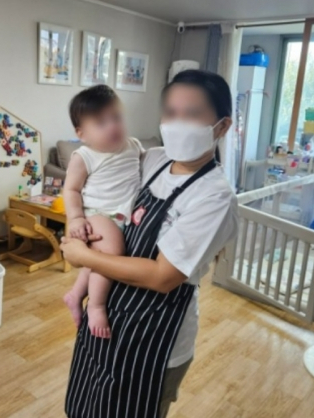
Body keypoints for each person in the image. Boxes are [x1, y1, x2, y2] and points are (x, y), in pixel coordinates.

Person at [61, 70, 239, 418]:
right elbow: (104, 185)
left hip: (155, 337)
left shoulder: (215, 197)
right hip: (110, 315)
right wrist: (78, 219)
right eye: (170, 113)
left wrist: (84, 256)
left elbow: (162, 277)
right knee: (89, 404)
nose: (178, 123)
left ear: (221, 126)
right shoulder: (154, 159)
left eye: (192, 114)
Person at [62, 85, 143, 339]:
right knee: (111, 252)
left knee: (97, 258)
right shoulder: (84, 156)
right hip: (99, 214)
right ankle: (96, 305)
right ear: (82, 133)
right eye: (101, 122)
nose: (112, 126)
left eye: (116, 118)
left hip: (122, 213)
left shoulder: (134, 146)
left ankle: (75, 294)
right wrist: (75, 218)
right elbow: (71, 190)